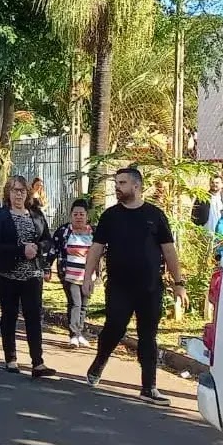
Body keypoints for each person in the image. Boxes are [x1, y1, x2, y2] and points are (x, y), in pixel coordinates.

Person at [84, 165, 187, 405]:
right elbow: (96, 249)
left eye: (121, 183)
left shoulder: (155, 215)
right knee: (115, 327)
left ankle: (149, 387)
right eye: (116, 183)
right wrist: (88, 276)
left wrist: (179, 283)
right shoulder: (111, 216)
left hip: (150, 287)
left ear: (136, 186)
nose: (117, 188)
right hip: (119, 286)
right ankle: (100, 361)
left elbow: (169, 250)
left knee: (148, 335)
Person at [0, 175, 57, 378]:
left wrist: (37, 247)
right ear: (8, 193)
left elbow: (48, 239)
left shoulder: (35, 214)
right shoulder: (0, 216)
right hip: (7, 274)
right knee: (9, 314)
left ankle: (38, 363)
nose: (18, 194)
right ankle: (11, 358)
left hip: (32, 273)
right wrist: (21, 250)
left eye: (22, 190)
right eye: (15, 190)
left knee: (33, 316)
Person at [48, 198, 96, 347]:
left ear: (87, 216)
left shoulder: (94, 232)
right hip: (69, 274)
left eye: (82, 214)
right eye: (76, 214)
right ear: (71, 216)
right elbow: (53, 250)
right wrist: (47, 267)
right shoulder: (63, 231)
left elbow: (102, 251)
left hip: (88, 275)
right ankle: (73, 334)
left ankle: (80, 332)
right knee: (75, 302)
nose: (79, 217)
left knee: (84, 305)